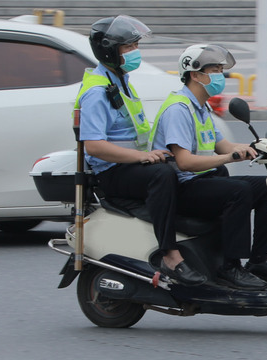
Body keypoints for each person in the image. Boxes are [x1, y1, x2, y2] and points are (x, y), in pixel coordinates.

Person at [75, 15, 206, 286]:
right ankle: (170, 254)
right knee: (162, 175)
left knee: (193, 169)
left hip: (129, 166)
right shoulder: (97, 92)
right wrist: (143, 157)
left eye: (136, 46)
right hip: (112, 173)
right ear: (110, 50)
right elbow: (95, 146)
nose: (135, 53)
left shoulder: (119, 81)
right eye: (128, 48)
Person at [151, 44, 267, 290]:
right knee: (238, 192)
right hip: (181, 187)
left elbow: (223, 145)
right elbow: (185, 162)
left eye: (221, 70)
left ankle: (258, 260)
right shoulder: (178, 109)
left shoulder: (200, 107)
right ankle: (230, 268)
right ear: (195, 74)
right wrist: (231, 157)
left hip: (200, 181)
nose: (220, 76)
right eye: (215, 70)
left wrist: (260, 147)